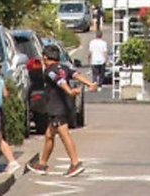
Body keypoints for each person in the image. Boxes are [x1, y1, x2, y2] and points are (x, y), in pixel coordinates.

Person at [29, 44, 99, 177]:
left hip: (56, 108)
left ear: (45, 57)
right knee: (49, 135)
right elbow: (77, 75)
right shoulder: (64, 68)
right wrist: (89, 84)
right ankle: (42, 164)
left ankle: (75, 163)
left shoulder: (49, 70)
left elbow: (59, 81)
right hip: (64, 107)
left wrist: (70, 91)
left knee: (64, 135)